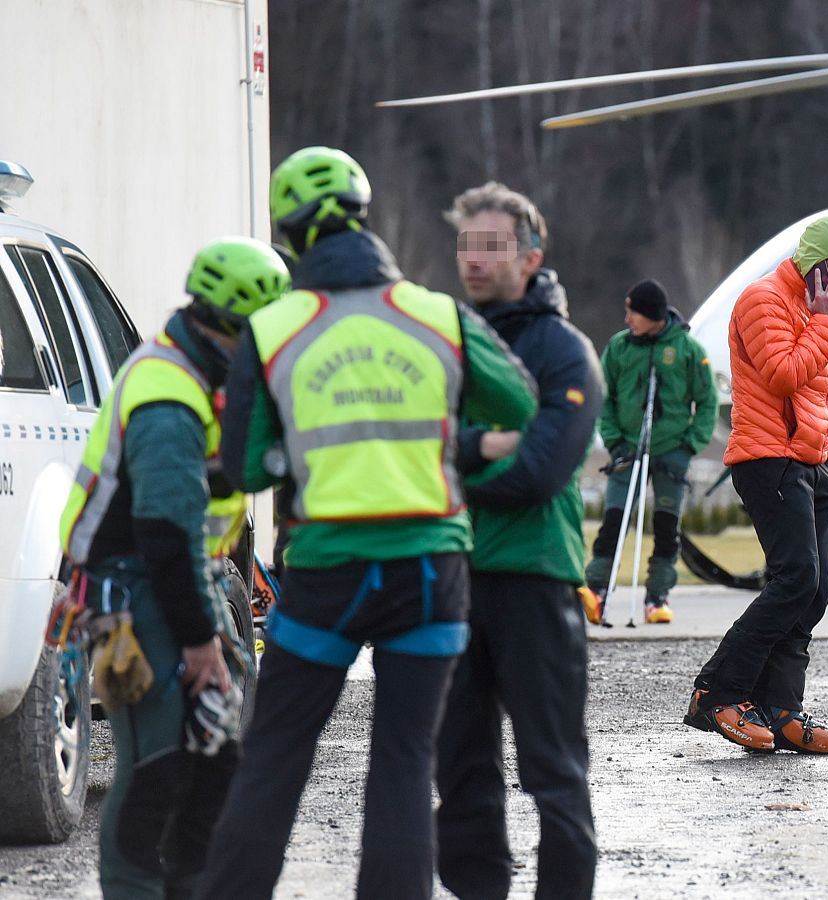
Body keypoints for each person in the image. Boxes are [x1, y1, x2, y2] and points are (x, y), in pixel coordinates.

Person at [195, 147, 536, 900]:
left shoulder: (272, 329)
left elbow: (246, 469)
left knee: (276, 756)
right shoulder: (438, 315)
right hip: (430, 569)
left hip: (327, 570)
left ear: (290, 236)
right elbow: (518, 401)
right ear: (363, 215)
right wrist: (445, 441)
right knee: (406, 765)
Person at [56, 237, 286, 899]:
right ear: (239, 325)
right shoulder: (166, 390)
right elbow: (163, 525)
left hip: (185, 577)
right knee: (158, 763)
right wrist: (199, 641)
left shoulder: (205, 370)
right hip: (135, 586)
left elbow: (207, 487)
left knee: (219, 752)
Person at [433, 181, 603, 899]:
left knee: (553, 770)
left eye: (493, 245)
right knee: (461, 773)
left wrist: (448, 468)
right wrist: (478, 445)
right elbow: (411, 445)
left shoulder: (565, 353)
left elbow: (539, 471)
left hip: (536, 581)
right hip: (453, 581)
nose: (475, 260)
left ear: (532, 256)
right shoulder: (441, 339)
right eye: (467, 244)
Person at [684, 214, 828, 754]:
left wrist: (822, 453)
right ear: (812, 265)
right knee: (794, 579)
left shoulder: (810, 308)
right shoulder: (762, 300)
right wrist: (826, 322)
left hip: (811, 461)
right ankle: (718, 694)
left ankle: (782, 709)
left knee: (813, 590)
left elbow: (817, 389)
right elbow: (784, 373)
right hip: (769, 458)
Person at [585, 278, 717, 624]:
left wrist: (690, 445)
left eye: (634, 313)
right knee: (614, 521)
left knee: (665, 527)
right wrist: (613, 443)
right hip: (626, 449)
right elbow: (604, 398)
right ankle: (596, 591)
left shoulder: (688, 349)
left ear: (653, 315)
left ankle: (657, 598)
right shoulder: (618, 347)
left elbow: (707, 402)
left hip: (672, 449)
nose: (628, 319)